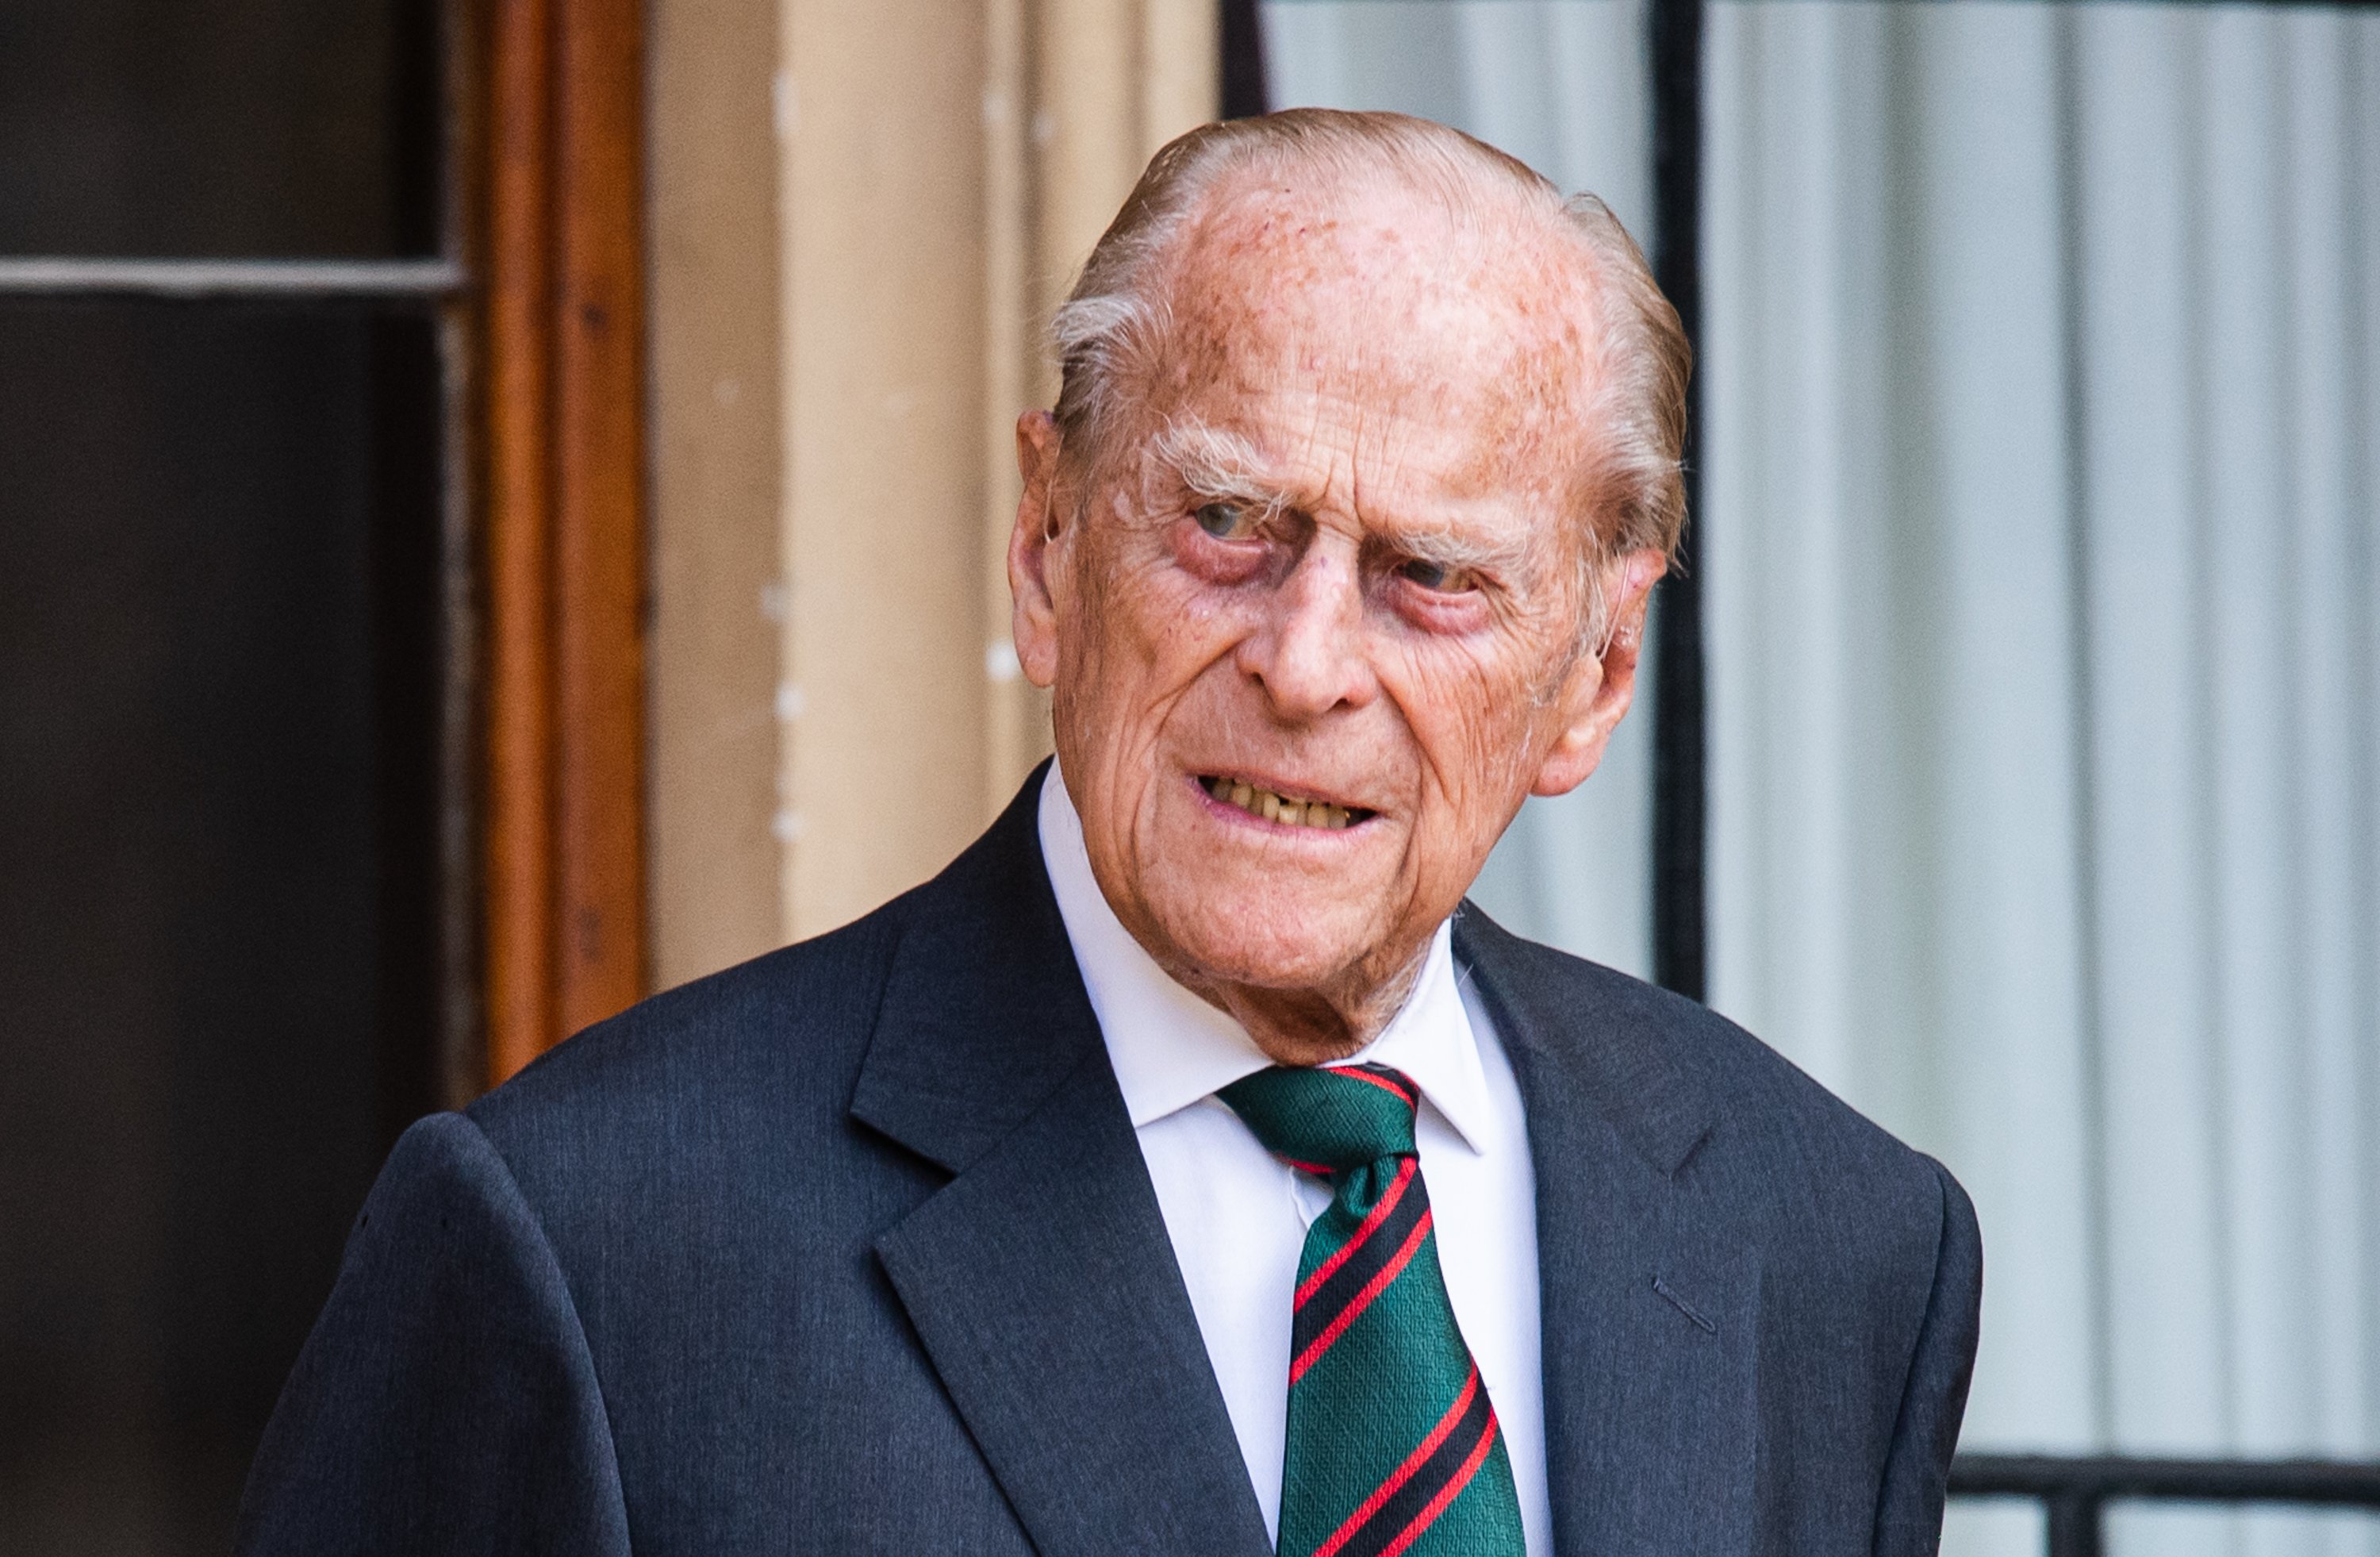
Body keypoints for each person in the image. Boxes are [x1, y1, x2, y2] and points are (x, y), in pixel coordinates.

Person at [239, 109, 1979, 1556]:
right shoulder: (593, 1245)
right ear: (1052, 548)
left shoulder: (1827, 1243)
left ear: (1596, 674)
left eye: (1430, 579)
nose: (1305, 666)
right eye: (1226, 521)